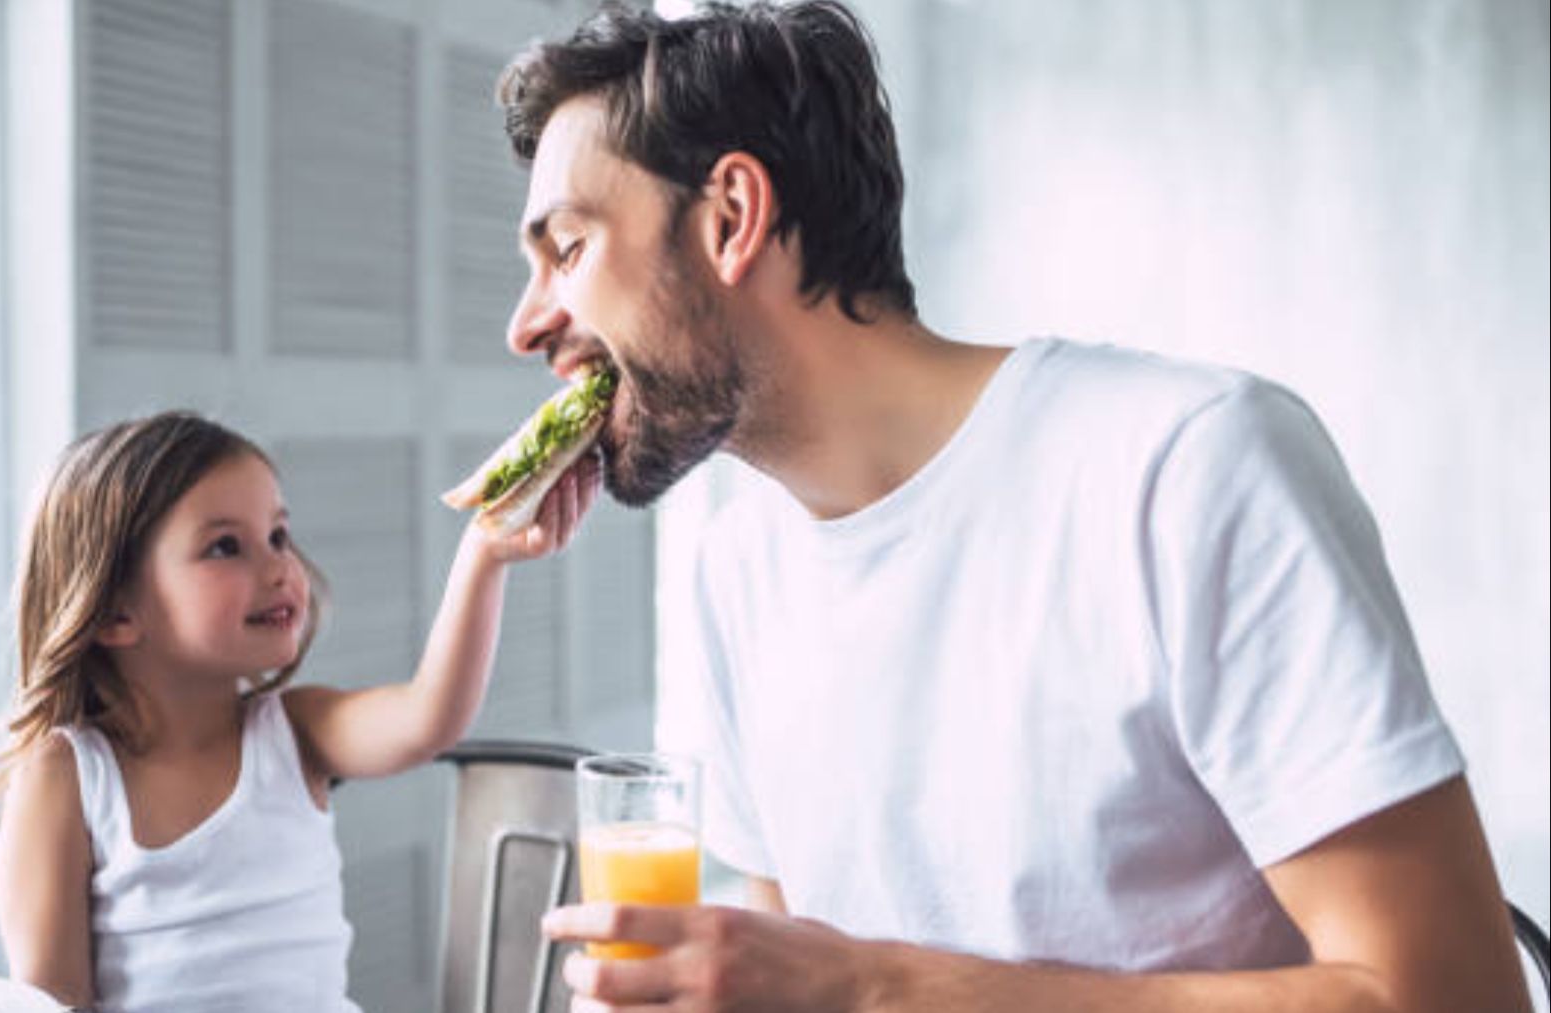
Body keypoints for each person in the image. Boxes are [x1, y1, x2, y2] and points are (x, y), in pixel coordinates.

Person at [494, 2, 1532, 1011]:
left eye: (569, 248)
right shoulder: (737, 570)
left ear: (730, 217)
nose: (525, 324)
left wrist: (873, 987)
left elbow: (1454, 992)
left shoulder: (1189, 466)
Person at [0, 410, 599, 1011]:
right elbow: (54, 1002)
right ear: (115, 610)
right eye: (226, 545)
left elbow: (430, 716)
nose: (280, 566)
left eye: (278, 534)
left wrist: (484, 554)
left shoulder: (296, 730)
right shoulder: (67, 774)